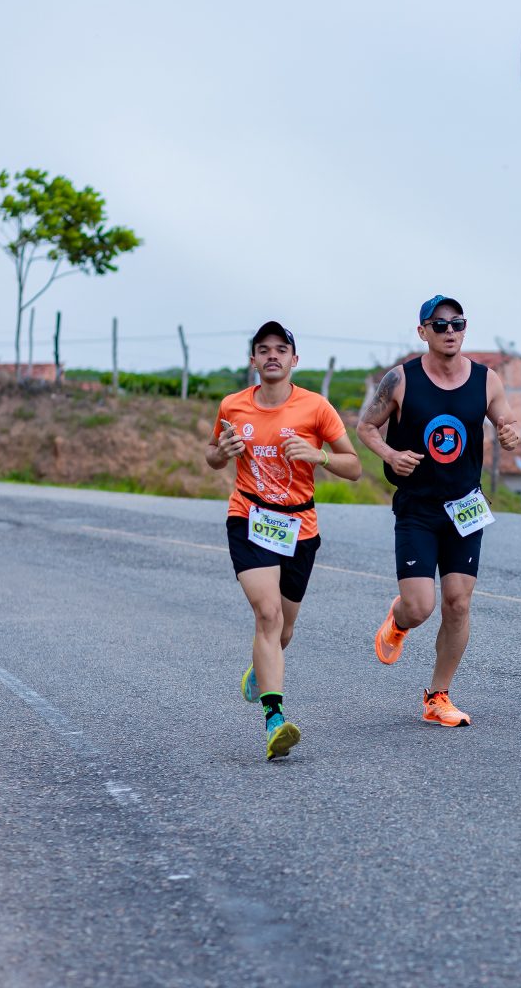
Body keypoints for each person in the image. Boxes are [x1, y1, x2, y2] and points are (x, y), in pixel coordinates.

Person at [357, 295, 521, 727]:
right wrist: (390, 455)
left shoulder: (486, 380)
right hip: (417, 506)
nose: (450, 331)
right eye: (440, 324)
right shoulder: (401, 379)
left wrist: (511, 434)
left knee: (458, 603)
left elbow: (508, 421)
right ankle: (398, 619)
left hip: (465, 506)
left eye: (457, 323)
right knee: (420, 607)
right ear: (423, 332)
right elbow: (366, 427)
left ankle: (437, 697)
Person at [206, 321, 361, 760]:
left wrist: (319, 455)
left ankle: (261, 669)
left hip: (300, 527)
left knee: (284, 630)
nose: (272, 355)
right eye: (263, 349)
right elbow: (212, 455)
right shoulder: (233, 405)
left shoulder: (316, 407)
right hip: (249, 517)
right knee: (268, 615)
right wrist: (222, 453)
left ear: (294, 359)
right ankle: (275, 720)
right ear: (253, 360)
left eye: (280, 349)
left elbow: (354, 466)